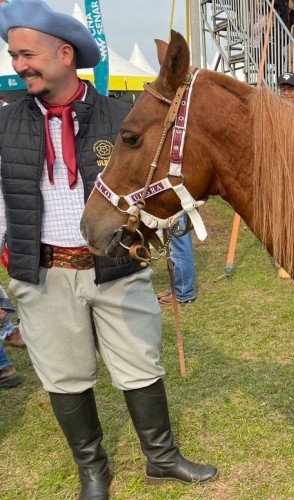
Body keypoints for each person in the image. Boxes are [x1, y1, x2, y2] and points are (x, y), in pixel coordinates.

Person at [0, 1, 218, 497]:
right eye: (13, 56)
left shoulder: (123, 116)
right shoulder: (4, 124)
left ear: (63, 53)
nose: (19, 65)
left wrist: (170, 221)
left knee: (140, 362)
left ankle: (160, 458)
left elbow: (158, 183)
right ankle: (93, 469)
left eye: (27, 54)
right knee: (64, 374)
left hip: (117, 266)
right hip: (45, 270)